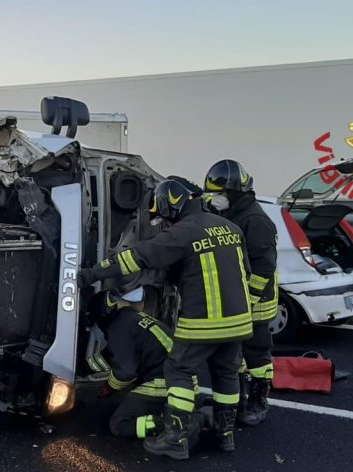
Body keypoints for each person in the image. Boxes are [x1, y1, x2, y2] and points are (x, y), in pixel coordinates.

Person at [79, 179, 252, 461]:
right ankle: (225, 435)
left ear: (172, 204)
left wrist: (91, 275)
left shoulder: (184, 232)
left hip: (204, 321)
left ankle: (175, 437)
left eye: (163, 215)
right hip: (240, 321)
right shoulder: (230, 228)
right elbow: (244, 270)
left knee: (178, 370)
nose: (164, 222)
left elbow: (135, 258)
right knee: (226, 374)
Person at [205, 159, 278, 426]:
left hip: (256, 301)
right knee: (233, 356)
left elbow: (264, 268)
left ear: (235, 192)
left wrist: (248, 299)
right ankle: (235, 399)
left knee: (256, 354)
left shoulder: (256, 220)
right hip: (238, 299)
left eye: (220, 194)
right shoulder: (232, 214)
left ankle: (259, 399)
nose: (216, 198)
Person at [86, 289, 173, 439]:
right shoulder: (131, 318)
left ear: (101, 318)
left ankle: (170, 425)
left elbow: (126, 373)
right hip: (181, 381)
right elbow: (114, 354)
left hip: (163, 383)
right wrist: (84, 367)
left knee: (118, 425)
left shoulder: (117, 329)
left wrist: (108, 388)